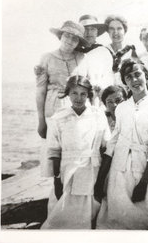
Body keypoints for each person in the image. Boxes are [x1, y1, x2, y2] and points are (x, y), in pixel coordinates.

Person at [94, 58, 148, 229]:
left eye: (137, 74)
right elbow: (112, 144)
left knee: (141, 218)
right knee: (114, 217)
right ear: (125, 82)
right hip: (118, 169)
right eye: (128, 77)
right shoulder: (122, 107)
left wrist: (143, 184)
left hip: (144, 169)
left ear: (146, 75)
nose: (134, 80)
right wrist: (100, 181)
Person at [41, 75, 111, 229]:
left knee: (90, 214)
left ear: (88, 95)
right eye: (74, 93)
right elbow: (54, 151)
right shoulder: (58, 118)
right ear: (68, 93)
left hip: (92, 170)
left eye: (83, 94)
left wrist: (100, 182)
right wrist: (57, 181)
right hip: (67, 172)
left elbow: (107, 147)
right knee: (61, 215)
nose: (78, 98)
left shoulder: (98, 115)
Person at [35, 20, 87, 177]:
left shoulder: (82, 57)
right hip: (54, 107)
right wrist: (41, 121)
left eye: (74, 38)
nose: (69, 41)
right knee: (55, 150)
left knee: (76, 147)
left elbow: (87, 85)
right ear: (60, 36)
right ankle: (57, 191)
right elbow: (40, 91)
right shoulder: (47, 58)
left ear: (78, 42)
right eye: (67, 36)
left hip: (77, 105)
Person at [76, 15, 115, 106]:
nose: (89, 32)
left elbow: (108, 76)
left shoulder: (103, 52)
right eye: (85, 29)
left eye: (92, 29)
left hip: (96, 97)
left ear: (97, 32)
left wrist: (99, 86)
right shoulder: (74, 52)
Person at [104, 15, 138, 85]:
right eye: (112, 28)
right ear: (108, 31)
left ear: (124, 30)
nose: (115, 32)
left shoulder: (131, 51)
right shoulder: (104, 51)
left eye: (119, 28)